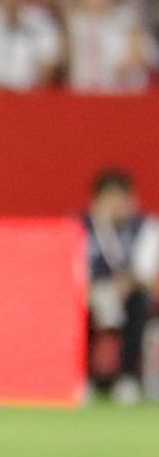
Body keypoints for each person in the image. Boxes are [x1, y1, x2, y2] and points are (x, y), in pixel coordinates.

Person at [83, 170, 158, 404]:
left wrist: (125, 284)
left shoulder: (146, 228)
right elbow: (72, 269)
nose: (116, 205)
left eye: (121, 198)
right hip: (92, 294)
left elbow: (145, 273)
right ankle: (84, 377)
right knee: (74, 308)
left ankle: (128, 378)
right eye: (110, 198)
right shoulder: (81, 228)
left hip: (131, 297)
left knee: (139, 301)